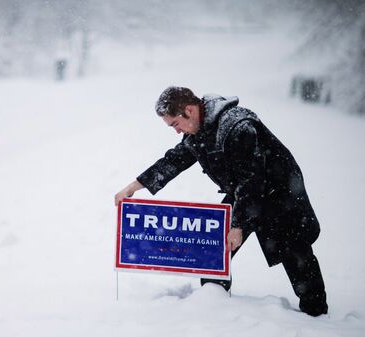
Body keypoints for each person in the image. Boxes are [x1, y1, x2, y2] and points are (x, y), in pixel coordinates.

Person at [114, 86, 328, 317]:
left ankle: (316, 316)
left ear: (189, 110)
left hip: (279, 194)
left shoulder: (238, 126)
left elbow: (252, 180)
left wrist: (238, 226)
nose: (176, 131)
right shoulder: (198, 133)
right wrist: (133, 187)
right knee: (214, 249)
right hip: (245, 193)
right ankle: (215, 308)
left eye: (175, 124)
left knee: (295, 254)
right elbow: (174, 161)